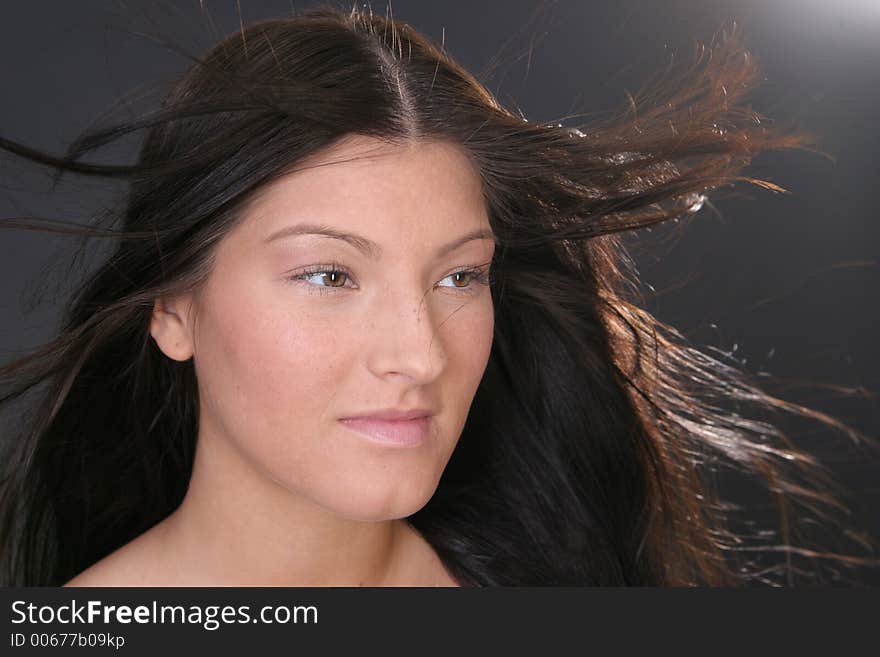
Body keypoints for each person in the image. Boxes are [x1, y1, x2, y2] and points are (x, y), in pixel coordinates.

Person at [0, 3, 875, 586]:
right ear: (173, 307)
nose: (420, 353)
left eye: (459, 276)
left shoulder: (570, 571)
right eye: (330, 274)